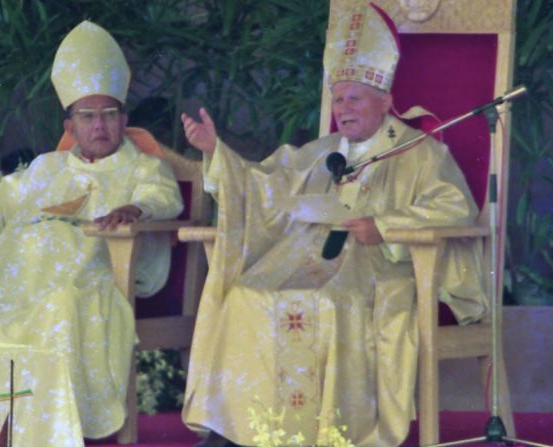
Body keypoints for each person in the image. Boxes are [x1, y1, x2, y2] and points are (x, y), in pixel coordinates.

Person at [180, 2, 487, 446]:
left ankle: (329, 434)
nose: (343, 107)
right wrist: (216, 153)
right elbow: (263, 188)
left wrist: (382, 223)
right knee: (246, 296)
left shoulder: (420, 152)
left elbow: (454, 206)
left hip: (376, 267)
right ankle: (239, 430)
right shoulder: (319, 151)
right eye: (338, 98)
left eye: (354, 98)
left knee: (328, 304)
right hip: (302, 259)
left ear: (384, 101)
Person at [0, 21, 183, 442]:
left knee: (58, 308)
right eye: (88, 116)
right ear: (70, 124)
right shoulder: (47, 166)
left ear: (123, 118)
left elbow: (163, 198)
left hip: (83, 278)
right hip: (14, 278)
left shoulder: (144, 168)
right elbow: (1, 197)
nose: (100, 126)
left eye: (109, 115)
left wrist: (133, 208)